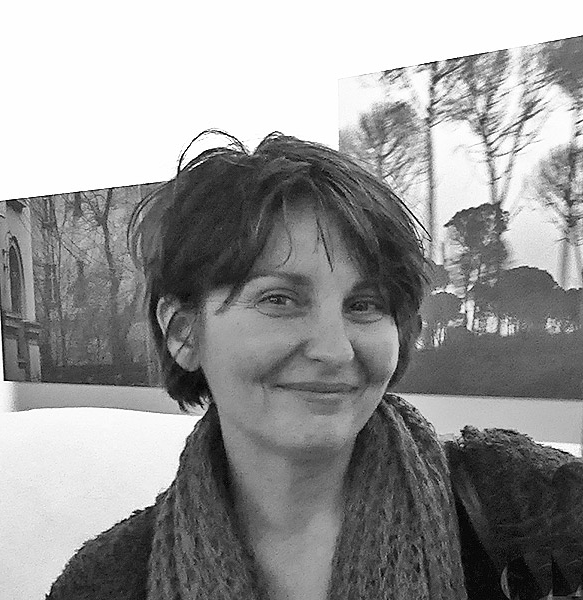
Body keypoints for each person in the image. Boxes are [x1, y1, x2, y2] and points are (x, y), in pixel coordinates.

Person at [47, 131, 583, 600]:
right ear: (184, 333)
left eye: (365, 304)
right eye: (279, 299)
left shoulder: (524, 507)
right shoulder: (109, 581)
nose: (335, 350)